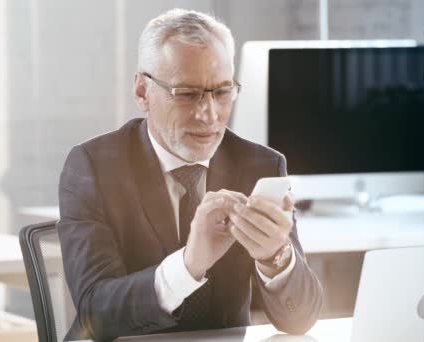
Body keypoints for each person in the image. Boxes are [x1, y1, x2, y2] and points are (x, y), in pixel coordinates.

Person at [57, 8, 323, 342]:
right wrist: (188, 265)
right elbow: (96, 315)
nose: (209, 115)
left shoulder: (261, 165)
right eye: (187, 94)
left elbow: (299, 323)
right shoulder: (93, 166)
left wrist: (275, 257)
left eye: (223, 92)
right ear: (142, 92)